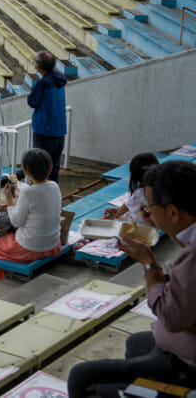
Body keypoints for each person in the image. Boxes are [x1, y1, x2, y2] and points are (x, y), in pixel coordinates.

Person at [68, 160, 196, 396]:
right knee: (136, 342)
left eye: (151, 205)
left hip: (186, 361)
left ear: (173, 212)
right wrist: (163, 226)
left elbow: (169, 316)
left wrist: (148, 263)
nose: (147, 210)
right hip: (180, 341)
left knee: (82, 376)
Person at [0, 148, 62, 287]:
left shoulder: (28, 192)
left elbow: (16, 222)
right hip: (53, 244)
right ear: (50, 168)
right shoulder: (54, 186)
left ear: (26, 170)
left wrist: (9, 202)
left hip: (31, 249)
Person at [27, 50, 68, 183]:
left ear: (38, 66)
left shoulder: (43, 83)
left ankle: (40, 201)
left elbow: (32, 102)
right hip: (59, 132)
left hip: (44, 133)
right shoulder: (59, 80)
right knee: (53, 169)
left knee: (40, 170)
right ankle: (53, 198)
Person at [105, 152, 161, 223]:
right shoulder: (163, 185)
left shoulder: (141, 192)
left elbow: (126, 207)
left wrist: (113, 216)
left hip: (140, 227)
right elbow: (128, 205)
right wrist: (117, 211)